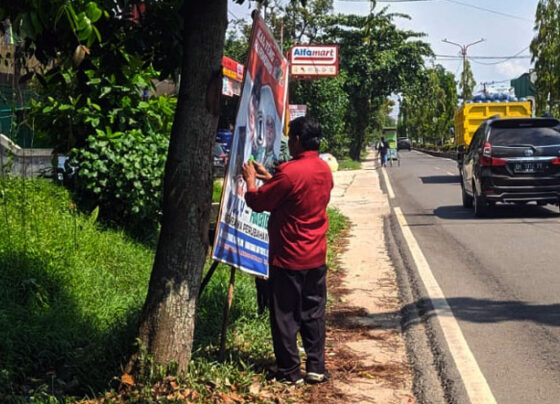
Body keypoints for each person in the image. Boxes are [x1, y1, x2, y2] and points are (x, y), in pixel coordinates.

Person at [242, 116, 333, 386]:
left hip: (288, 257)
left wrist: (250, 182)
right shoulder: (324, 170)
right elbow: (297, 197)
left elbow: (259, 201)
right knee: (314, 312)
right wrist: (270, 177)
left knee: (284, 316)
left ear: (296, 140)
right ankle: (316, 367)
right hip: (316, 255)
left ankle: (290, 372)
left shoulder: (290, 172)